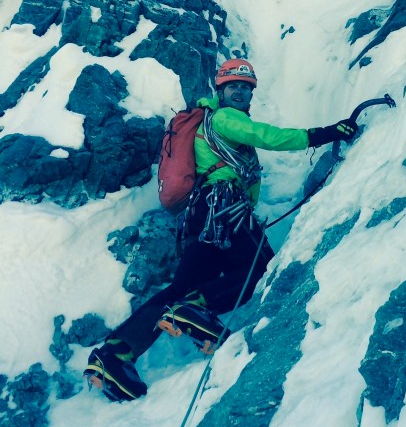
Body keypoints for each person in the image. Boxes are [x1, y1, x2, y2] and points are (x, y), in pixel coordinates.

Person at [84, 58, 357, 402]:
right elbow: (267, 136)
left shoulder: (212, 124)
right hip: (225, 207)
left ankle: (115, 353)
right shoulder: (226, 119)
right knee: (262, 271)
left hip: (203, 215)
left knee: (182, 286)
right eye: (234, 86)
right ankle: (196, 308)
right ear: (221, 91)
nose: (241, 91)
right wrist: (327, 133)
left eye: (246, 87)